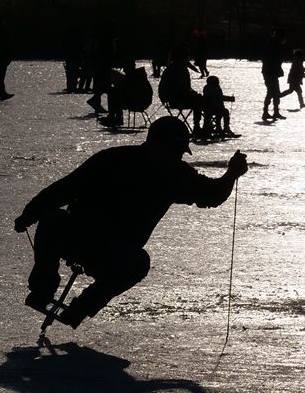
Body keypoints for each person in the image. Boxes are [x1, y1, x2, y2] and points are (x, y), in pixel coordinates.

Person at [13, 117, 248, 329]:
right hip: (96, 246)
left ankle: (73, 305)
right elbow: (64, 189)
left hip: (104, 250)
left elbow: (63, 189)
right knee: (55, 219)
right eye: (175, 149)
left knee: (132, 259)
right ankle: (47, 291)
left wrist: (230, 175)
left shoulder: (126, 160)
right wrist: (231, 174)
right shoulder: (169, 172)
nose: (177, 156)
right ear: (159, 145)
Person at [159, 44, 204, 133]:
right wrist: (194, 94)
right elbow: (183, 89)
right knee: (200, 101)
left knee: (199, 99)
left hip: (170, 99)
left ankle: (200, 126)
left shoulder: (171, 69)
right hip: (176, 99)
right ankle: (198, 126)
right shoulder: (179, 70)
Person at [261, 28, 286, 121]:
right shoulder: (273, 45)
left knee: (274, 92)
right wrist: (277, 68)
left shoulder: (273, 44)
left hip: (271, 72)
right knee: (272, 91)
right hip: (269, 72)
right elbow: (272, 59)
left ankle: (274, 112)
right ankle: (267, 112)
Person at [201, 75, 237, 139]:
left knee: (225, 111)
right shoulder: (210, 88)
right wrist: (229, 98)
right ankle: (222, 128)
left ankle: (224, 128)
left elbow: (220, 97)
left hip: (216, 108)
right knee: (224, 112)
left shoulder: (213, 88)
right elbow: (218, 98)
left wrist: (229, 98)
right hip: (210, 109)